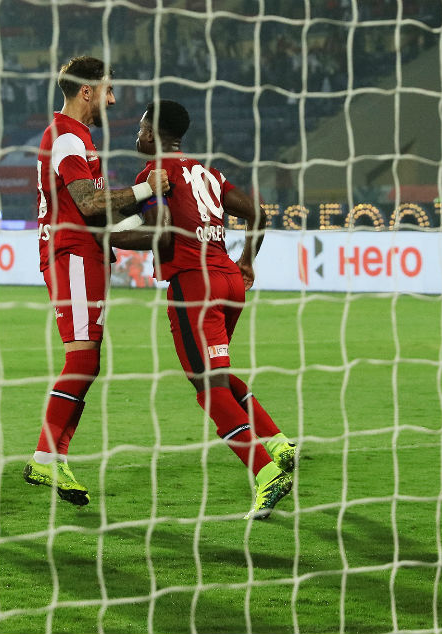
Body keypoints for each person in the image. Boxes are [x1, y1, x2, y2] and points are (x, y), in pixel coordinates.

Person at [133, 99, 296, 520]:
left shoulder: (156, 175)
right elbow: (258, 214)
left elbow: (162, 237)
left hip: (194, 285)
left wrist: (104, 239)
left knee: (207, 387)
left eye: (140, 127)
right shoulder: (207, 171)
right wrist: (247, 262)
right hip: (228, 282)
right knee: (217, 375)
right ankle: (277, 443)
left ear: (151, 132)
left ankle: (265, 472)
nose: (137, 135)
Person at [25, 56, 170, 505]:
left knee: (89, 361)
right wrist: (148, 190)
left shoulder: (78, 139)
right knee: (83, 360)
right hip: (71, 256)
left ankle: (53, 459)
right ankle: (44, 460)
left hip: (81, 254)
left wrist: (154, 229)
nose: (112, 98)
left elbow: (100, 211)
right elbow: (90, 204)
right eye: (107, 90)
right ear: (86, 91)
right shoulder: (67, 137)